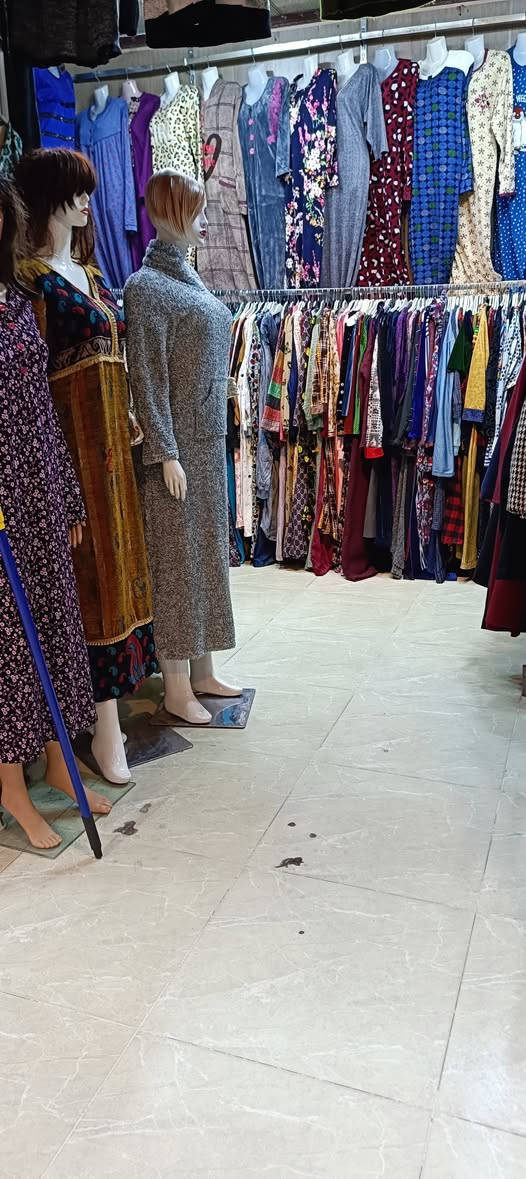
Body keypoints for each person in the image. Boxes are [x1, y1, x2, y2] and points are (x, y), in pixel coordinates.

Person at [0, 178, 111, 849]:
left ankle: (58, 761)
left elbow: (40, 405)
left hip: (39, 488)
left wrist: (66, 490)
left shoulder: (15, 299)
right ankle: (12, 786)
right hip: (2, 504)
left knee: (53, 628)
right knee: (10, 648)